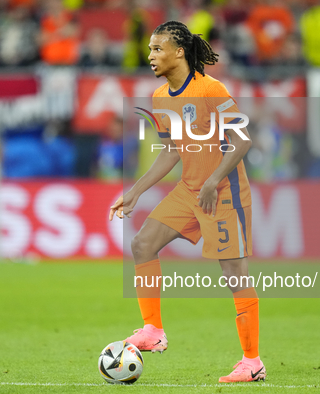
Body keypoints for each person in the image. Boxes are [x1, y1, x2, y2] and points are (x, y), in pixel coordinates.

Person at [109, 21, 263, 383]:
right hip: (190, 190)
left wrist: (213, 179)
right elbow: (172, 151)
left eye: (157, 49)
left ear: (179, 51)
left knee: (234, 273)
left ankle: (252, 362)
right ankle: (153, 330)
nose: (150, 56)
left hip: (223, 193)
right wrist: (135, 191)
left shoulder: (211, 89)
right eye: (149, 49)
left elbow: (241, 141)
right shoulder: (160, 98)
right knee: (142, 243)